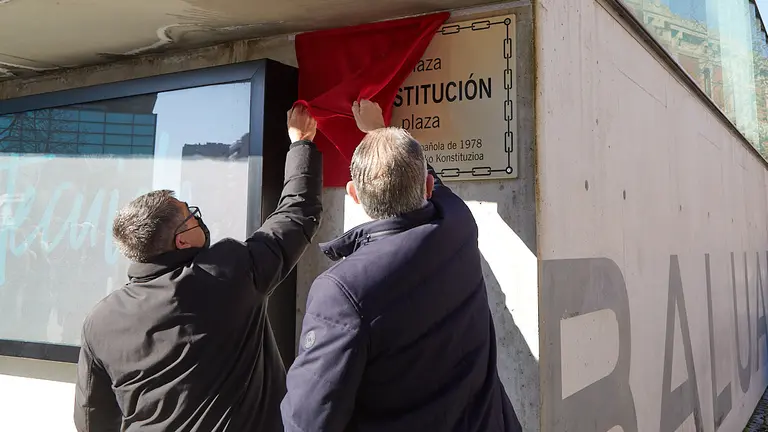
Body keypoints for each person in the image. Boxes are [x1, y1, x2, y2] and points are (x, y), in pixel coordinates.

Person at [73, 104, 323, 432]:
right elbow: (296, 215)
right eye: (190, 215)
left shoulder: (100, 320)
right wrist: (301, 142)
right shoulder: (226, 274)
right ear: (181, 241)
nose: (197, 217)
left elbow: (90, 418)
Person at [281, 100, 522, 432]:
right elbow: (434, 183)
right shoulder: (459, 223)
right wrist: (380, 130)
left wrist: (301, 143)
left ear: (354, 195)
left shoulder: (342, 291)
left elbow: (308, 420)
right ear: (426, 186)